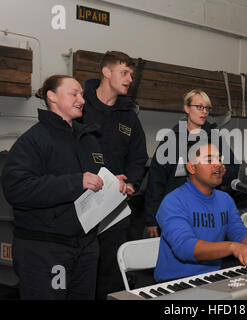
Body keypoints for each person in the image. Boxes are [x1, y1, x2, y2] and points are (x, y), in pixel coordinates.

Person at [1, 75, 105, 299]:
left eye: (82, 94)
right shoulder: (34, 140)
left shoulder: (88, 138)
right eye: (74, 93)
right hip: (45, 250)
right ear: (52, 97)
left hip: (85, 247)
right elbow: (17, 188)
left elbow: (94, 178)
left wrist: (114, 184)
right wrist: (76, 182)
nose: (82, 99)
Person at [153, 141, 247, 282]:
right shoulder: (173, 201)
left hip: (213, 278)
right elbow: (185, 248)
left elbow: (239, 233)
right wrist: (232, 247)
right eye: (209, 160)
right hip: (175, 283)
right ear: (191, 167)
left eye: (219, 159)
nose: (218, 164)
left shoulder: (225, 199)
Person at [79, 51, 148, 299]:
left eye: (132, 74)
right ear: (106, 72)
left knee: (111, 272)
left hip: (116, 207)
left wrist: (131, 183)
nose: (130, 79)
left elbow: (139, 157)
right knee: (82, 271)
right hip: (80, 204)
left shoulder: (129, 115)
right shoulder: (81, 107)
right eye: (124, 73)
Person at [145, 89, 239, 238]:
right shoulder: (172, 140)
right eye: (199, 107)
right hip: (178, 211)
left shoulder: (216, 138)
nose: (204, 112)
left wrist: (217, 171)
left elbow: (233, 169)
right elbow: (156, 180)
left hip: (208, 211)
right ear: (187, 108)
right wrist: (151, 219)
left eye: (207, 108)